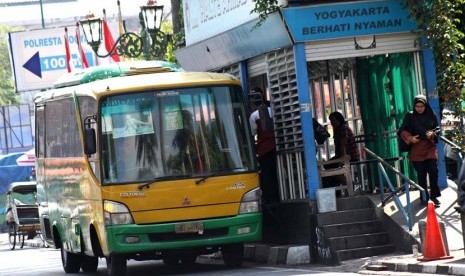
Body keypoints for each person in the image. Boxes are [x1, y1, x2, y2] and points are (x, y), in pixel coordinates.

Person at [399, 94, 441, 206]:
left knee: (433, 171)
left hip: (429, 147)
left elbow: (437, 129)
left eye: (421, 106)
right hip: (416, 149)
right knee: (421, 174)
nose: (419, 108)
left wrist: (432, 134)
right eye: (417, 106)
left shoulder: (431, 114)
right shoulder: (410, 116)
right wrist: (410, 138)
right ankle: (424, 196)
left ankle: (434, 197)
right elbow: (402, 130)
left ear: (425, 105)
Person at [249, 87, 280, 204]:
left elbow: (253, 133)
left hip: (264, 150)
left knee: (267, 176)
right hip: (277, 147)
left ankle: (270, 199)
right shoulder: (273, 111)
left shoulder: (254, 116)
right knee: (277, 173)